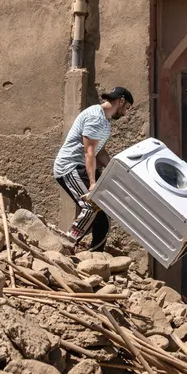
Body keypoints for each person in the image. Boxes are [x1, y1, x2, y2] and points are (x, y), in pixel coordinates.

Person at [53, 87, 133, 251]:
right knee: (91, 205)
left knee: (103, 214)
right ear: (121, 101)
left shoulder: (105, 121)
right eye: (127, 108)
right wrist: (92, 183)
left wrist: (114, 168)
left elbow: (99, 150)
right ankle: (67, 243)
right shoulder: (95, 117)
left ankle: (96, 255)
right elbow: (89, 152)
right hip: (70, 167)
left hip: (81, 167)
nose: (125, 113)